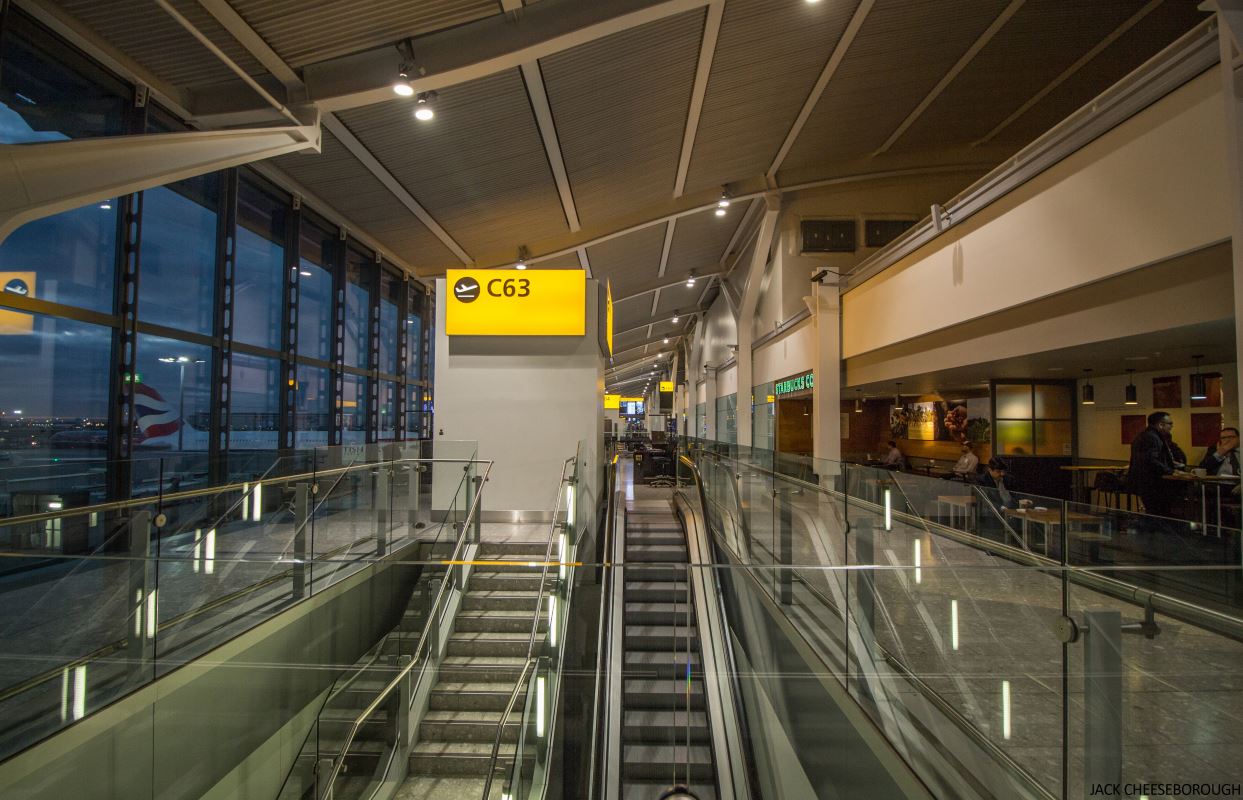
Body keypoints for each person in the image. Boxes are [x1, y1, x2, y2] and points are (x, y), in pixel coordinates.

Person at [1127, 411, 1186, 518]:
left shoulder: (1147, 435)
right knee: (1158, 514)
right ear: (1161, 424)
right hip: (1153, 484)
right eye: (1170, 424)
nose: (1172, 426)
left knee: (1154, 514)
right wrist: (1171, 471)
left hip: (1146, 483)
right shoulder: (1152, 437)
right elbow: (1151, 460)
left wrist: (1170, 463)